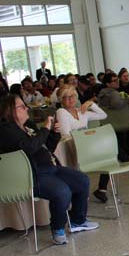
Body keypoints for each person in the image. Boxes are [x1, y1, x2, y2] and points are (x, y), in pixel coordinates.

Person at [0, 94, 99, 245]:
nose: (26, 108)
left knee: (82, 180)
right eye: (22, 106)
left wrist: (52, 132)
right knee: (62, 191)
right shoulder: (6, 130)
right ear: (10, 110)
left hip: (50, 167)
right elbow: (30, 147)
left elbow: (46, 147)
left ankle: (77, 221)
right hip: (31, 176)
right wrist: (45, 129)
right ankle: (58, 228)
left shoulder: (29, 125)